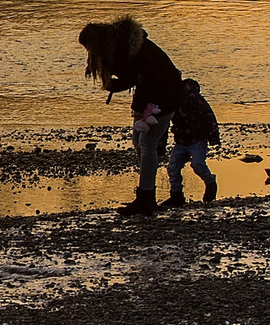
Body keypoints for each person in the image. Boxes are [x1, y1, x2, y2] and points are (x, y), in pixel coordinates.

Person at [78, 16, 187, 216]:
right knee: (139, 142)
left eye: (88, 47)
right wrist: (114, 86)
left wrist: (139, 108)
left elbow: (150, 77)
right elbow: (135, 77)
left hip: (166, 95)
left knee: (147, 143)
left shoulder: (128, 49)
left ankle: (146, 197)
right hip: (159, 94)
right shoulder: (122, 48)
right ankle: (147, 194)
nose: (89, 53)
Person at [163, 78, 220, 207]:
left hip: (198, 140)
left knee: (198, 164)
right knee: (173, 168)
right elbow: (165, 121)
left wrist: (213, 137)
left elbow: (210, 117)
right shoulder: (174, 102)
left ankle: (210, 183)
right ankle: (176, 195)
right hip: (181, 141)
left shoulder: (198, 102)